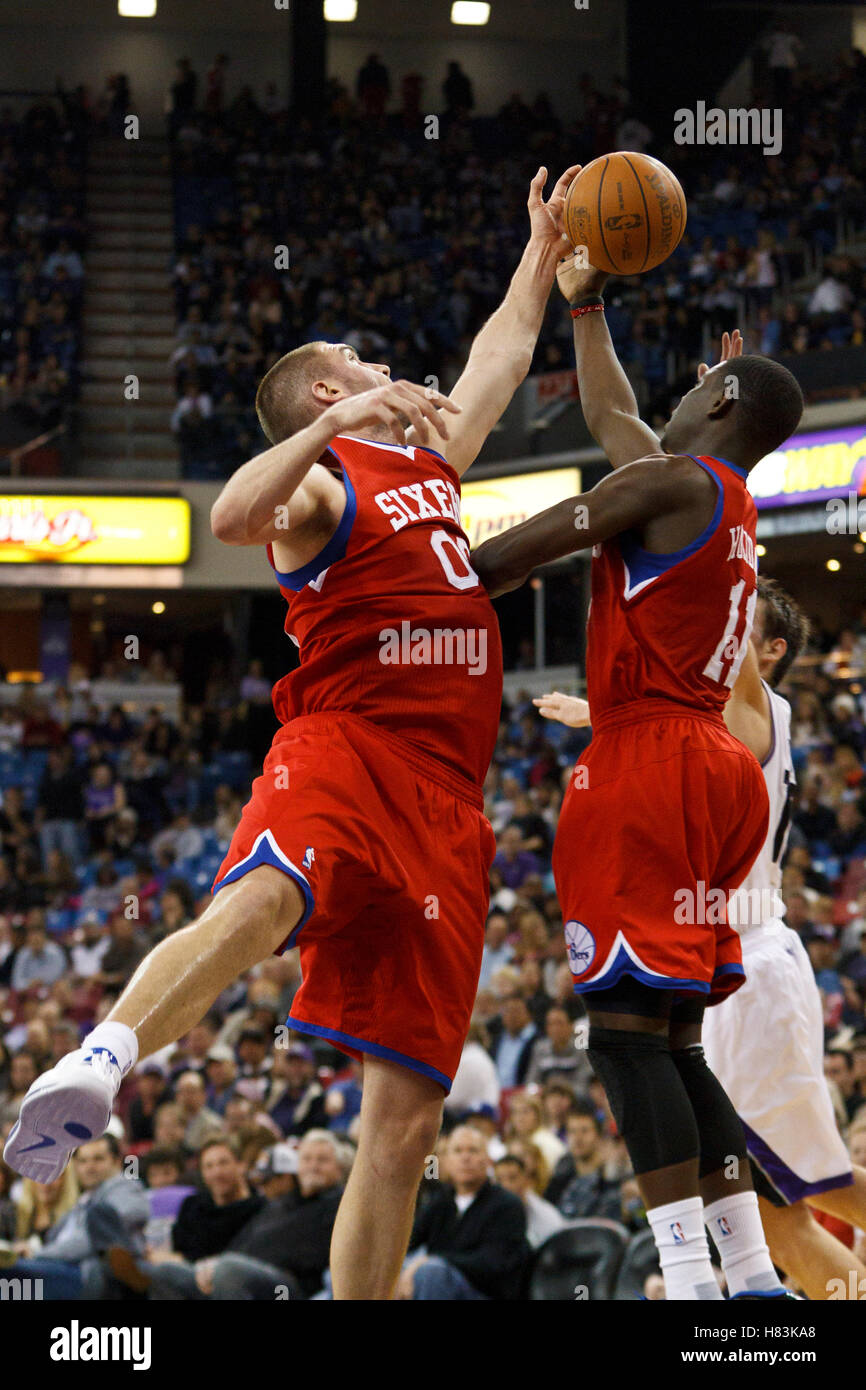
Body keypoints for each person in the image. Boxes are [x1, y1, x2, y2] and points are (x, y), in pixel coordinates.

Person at [6, 164, 582, 1303]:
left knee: (406, 1120)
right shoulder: (321, 488)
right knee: (262, 901)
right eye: (359, 365)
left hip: (448, 807)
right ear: (326, 392)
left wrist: (541, 250)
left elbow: (500, 354)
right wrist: (341, 430)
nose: (382, 370)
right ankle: (99, 1060)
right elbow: (229, 516)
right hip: (347, 744)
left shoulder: (423, 461)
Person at [470, 242, 805, 1301]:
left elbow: (500, 559)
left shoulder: (664, 481)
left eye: (697, 386)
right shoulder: (718, 494)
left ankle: (686, 1281)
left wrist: (409, 561)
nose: (678, 393)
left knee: (621, 1036)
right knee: (672, 1038)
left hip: (649, 758)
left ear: (717, 403)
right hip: (711, 767)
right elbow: (618, 429)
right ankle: (746, 1275)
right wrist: (586, 308)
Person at [2, 1133, 148, 1299]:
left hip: (82, 1270)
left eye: (98, 1159)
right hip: (58, 1264)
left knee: (9, 1273)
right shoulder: (85, 1198)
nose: (89, 1167)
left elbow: (92, 1238)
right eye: (83, 1161)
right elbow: (53, 1237)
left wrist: (37, 1253)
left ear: (115, 1161)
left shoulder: (124, 1187)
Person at [398, 1125, 529, 1299]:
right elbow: (409, 1239)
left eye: (473, 1151)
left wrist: (432, 1261)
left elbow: (493, 1264)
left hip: (483, 1292)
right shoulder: (441, 1201)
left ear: (488, 1160)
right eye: (458, 1151)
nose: (465, 1157)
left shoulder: (507, 1205)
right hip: (437, 1283)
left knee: (432, 1272)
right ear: (446, 1160)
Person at [494, 1151, 565, 1248]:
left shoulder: (546, 1215)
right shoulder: (485, 1212)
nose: (506, 1185)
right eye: (499, 1180)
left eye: (512, 1178)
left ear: (525, 1180)